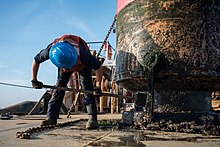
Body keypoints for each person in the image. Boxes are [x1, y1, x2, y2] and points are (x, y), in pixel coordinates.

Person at [31, 34, 104, 129]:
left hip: (82, 65)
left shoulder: (83, 54)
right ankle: (51, 117)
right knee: (59, 88)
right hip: (64, 65)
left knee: (87, 88)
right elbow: (36, 60)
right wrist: (34, 79)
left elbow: (98, 67)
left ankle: (92, 119)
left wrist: (98, 86)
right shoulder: (51, 50)